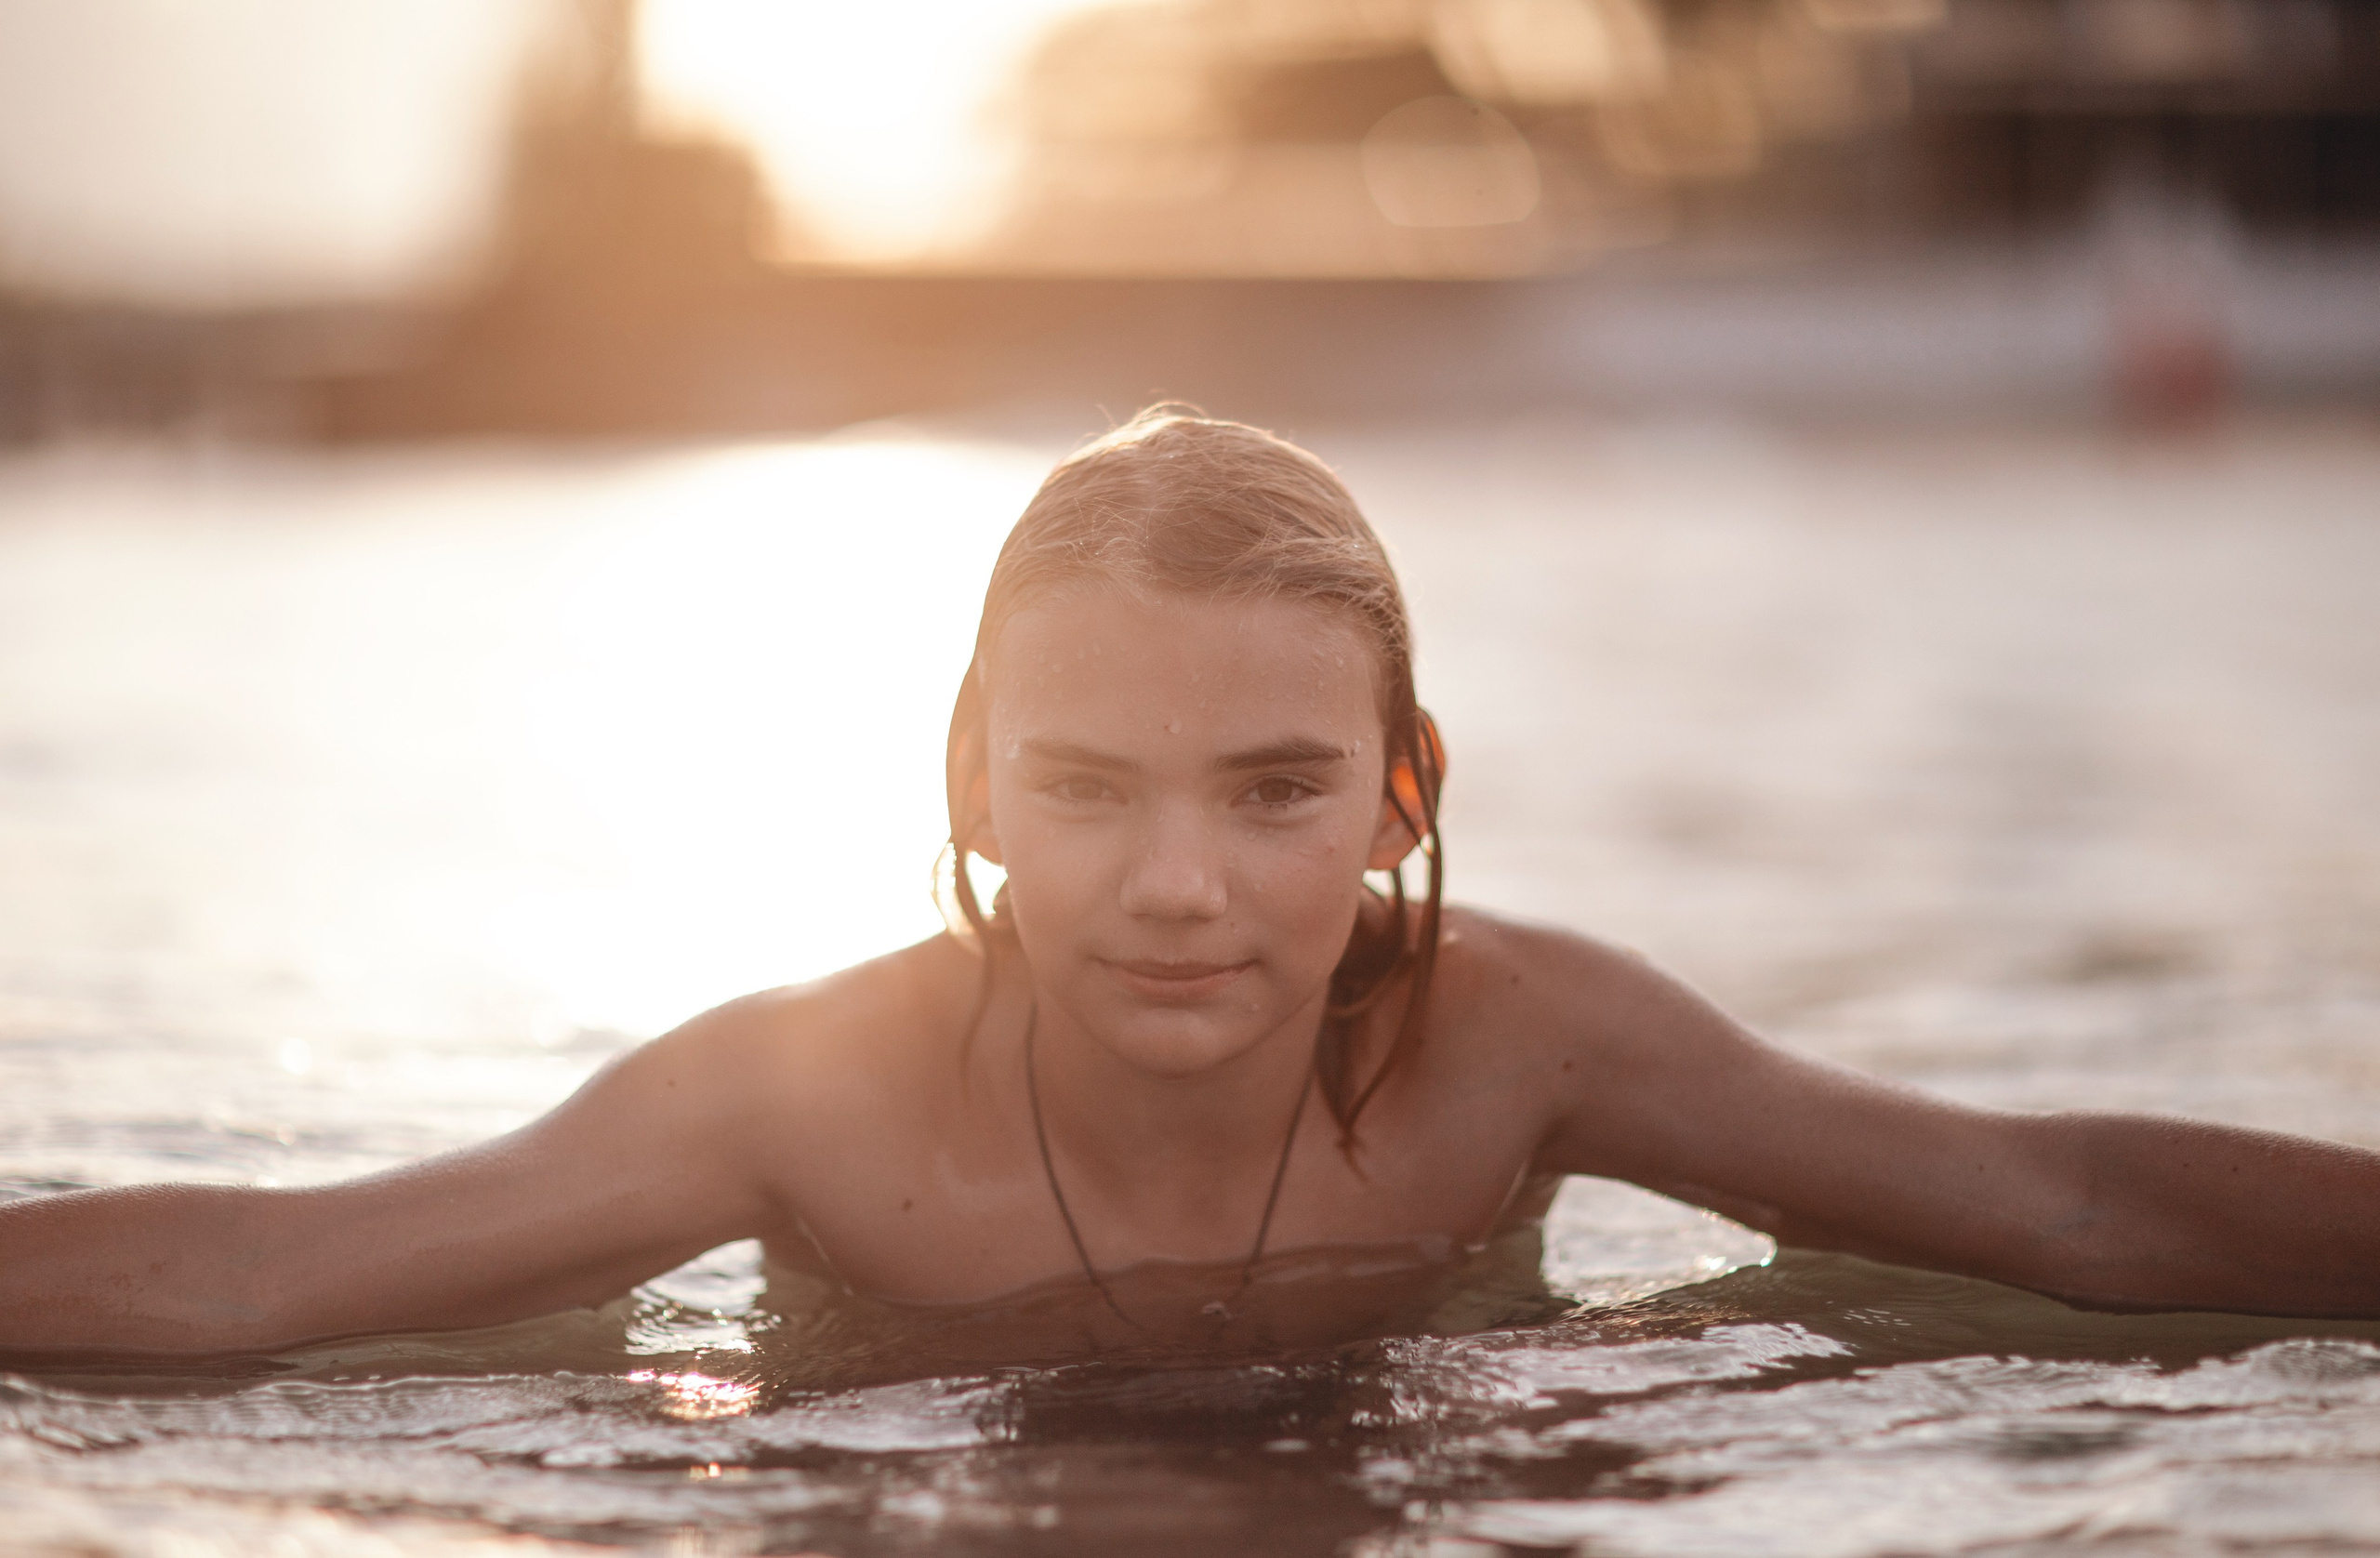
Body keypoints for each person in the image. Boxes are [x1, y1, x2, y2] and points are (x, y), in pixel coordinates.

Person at [4, 407, 2376, 1363]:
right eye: (1088, 788)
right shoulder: (803, 1098)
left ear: (1397, 792)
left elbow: (2050, 1205)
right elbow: (267, 1263)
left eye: (1268, 789)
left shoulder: (1517, 1043)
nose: (1172, 884)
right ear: (973, 780)